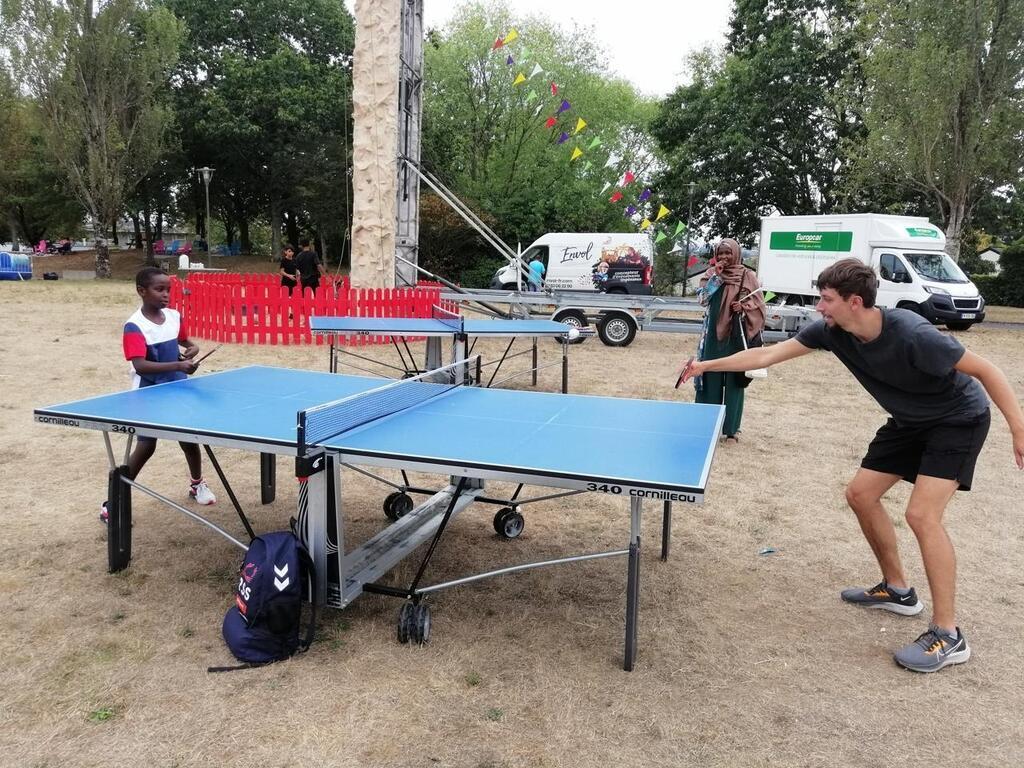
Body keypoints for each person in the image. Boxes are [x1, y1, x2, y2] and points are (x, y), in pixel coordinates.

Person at [680, 258, 1024, 673]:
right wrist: (704, 365)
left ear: (854, 301)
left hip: (957, 419)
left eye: (826, 300)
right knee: (861, 495)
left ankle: (949, 635)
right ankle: (898, 591)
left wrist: (1018, 430)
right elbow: (767, 354)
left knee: (922, 516)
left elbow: (986, 370)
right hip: (909, 422)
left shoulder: (913, 333)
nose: (819, 308)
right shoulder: (831, 332)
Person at [99, 267, 217, 523]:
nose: (166, 295)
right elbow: (140, 365)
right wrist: (177, 365)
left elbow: (186, 342)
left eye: (168, 290)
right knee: (146, 446)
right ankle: (113, 501)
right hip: (148, 393)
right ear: (142, 291)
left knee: (189, 440)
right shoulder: (134, 326)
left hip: (178, 389)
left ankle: (197, 484)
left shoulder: (174, 316)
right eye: (159, 289)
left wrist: (192, 349)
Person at [692, 238, 766, 442]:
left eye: (728, 253)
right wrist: (716, 276)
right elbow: (702, 299)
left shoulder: (748, 276)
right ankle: (706, 426)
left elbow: (759, 305)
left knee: (734, 383)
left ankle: (731, 430)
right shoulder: (710, 274)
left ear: (736, 253)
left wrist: (744, 307)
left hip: (736, 336)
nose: (724, 257)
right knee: (710, 379)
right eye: (721, 253)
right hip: (713, 338)